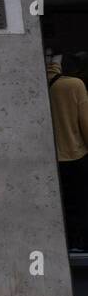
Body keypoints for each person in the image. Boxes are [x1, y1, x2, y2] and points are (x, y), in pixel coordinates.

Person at [48, 54, 88, 252]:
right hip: (74, 153)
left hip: (52, 157)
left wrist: (55, 60)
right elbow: (85, 121)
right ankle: (80, 242)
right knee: (80, 200)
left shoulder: (48, 82)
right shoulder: (75, 85)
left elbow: (53, 70)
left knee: (65, 203)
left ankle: (70, 242)